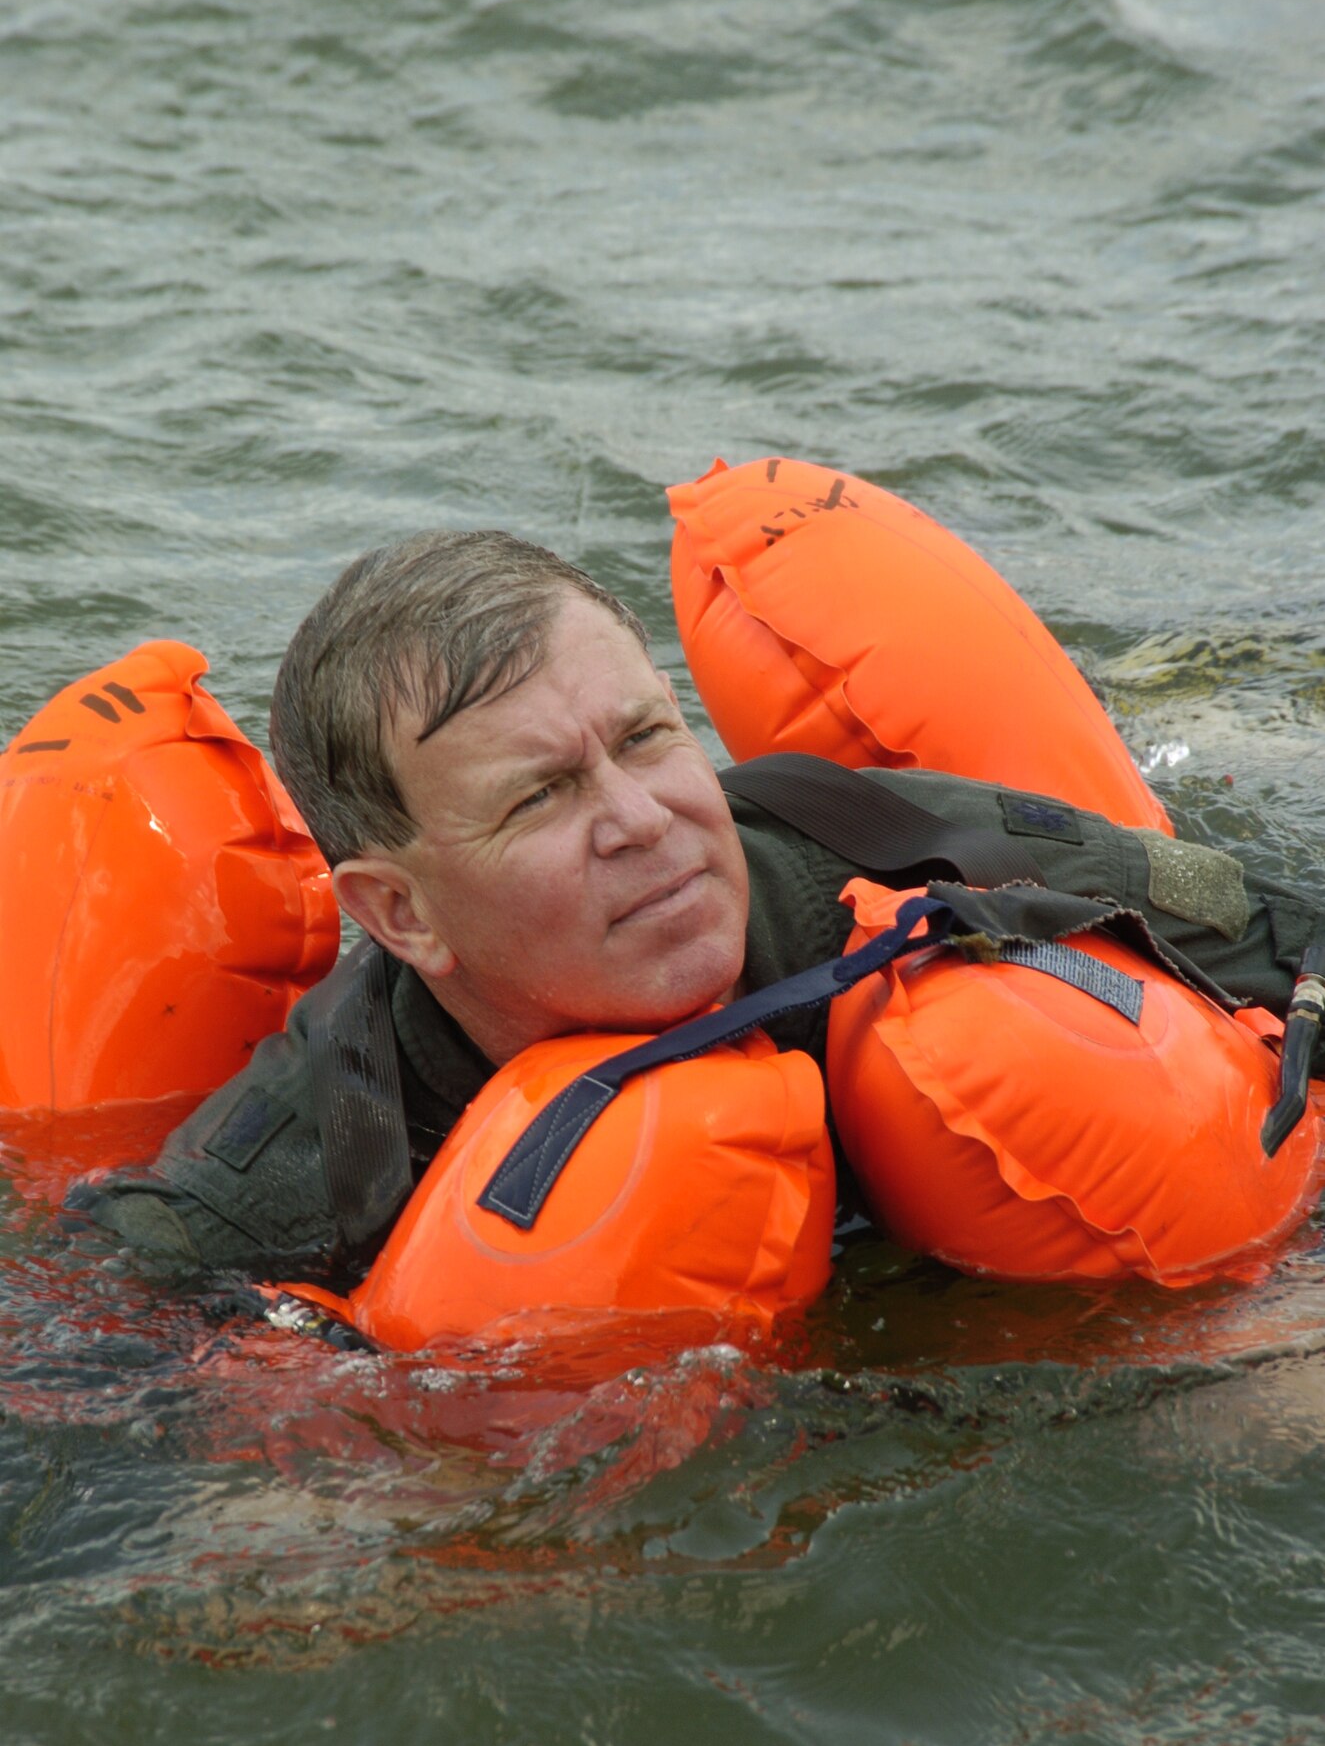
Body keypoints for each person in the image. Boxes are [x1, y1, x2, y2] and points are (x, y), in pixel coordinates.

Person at [73, 528, 1325, 1283]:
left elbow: (1286, 931)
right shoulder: (304, 1171)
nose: (641, 817)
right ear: (401, 914)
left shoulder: (885, 850)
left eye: (645, 737)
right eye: (541, 797)